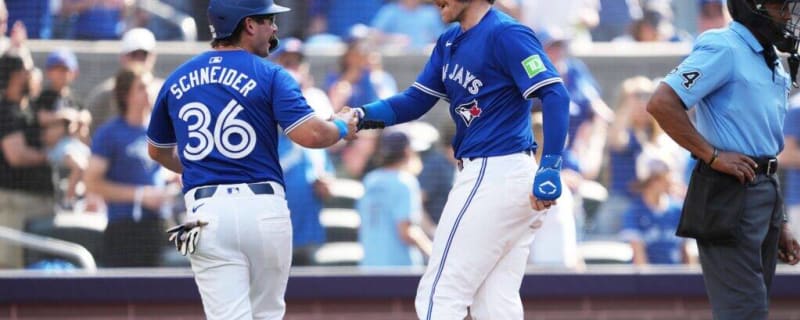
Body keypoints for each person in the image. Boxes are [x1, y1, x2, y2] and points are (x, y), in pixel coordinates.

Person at [354, 0, 570, 318]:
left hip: (494, 171)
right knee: (495, 303)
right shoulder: (450, 40)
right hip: (497, 176)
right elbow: (414, 101)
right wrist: (361, 116)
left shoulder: (506, 33)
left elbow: (555, 92)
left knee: (440, 294)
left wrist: (550, 163)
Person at [145, 1, 358, 319]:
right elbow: (313, 135)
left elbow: (158, 151)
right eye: (269, 20)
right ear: (248, 25)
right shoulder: (272, 74)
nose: (274, 29)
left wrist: (203, 165)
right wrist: (342, 125)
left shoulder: (176, 78)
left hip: (207, 212)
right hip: (264, 209)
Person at [646, 0, 800, 318]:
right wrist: (712, 155)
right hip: (729, 192)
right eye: (780, 7)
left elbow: (765, 149)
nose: (787, 16)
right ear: (752, 6)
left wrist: (780, 218)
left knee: (753, 307)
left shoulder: (771, 58)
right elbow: (662, 102)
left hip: (765, 190)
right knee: (744, 311)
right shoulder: (724, 46)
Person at [84, 67, 173, 267]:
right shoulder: (110, 133)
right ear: (126, 95)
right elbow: (92, 183)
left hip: (159, 226)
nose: (149, 92)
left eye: (149, 86)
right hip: (124, 229)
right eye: (141, 87)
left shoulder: (162, 130)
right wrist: (140, 195)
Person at [0, 54, 53, 268]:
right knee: (11, 272)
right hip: (15, 207)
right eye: (28, 70)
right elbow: (17, 155)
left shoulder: (30, 108)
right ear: (15, 76)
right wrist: (50, 156)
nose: (33, 74)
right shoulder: (5, 111)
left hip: (41, 204)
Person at [357, 131, 432, 266]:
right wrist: (434, 254)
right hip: (400, 269)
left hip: (370, 267)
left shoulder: (370, 179)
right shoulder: (405, 182)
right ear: (407, 151)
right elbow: (406, 231)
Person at [619, 149, 692, 265]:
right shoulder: (634, 212)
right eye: (664, 176)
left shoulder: (678, 210)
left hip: (677, 280)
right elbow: (640, 261)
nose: (670, 180)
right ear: (652, 180)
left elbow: (686, 254)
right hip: (649, 282)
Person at [85, 27, 163, 133]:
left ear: (153, 57)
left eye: (144, 55)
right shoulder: (104, 95)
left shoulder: (165, 92)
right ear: (122, 57)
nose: (139, 61)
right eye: (134, 55)